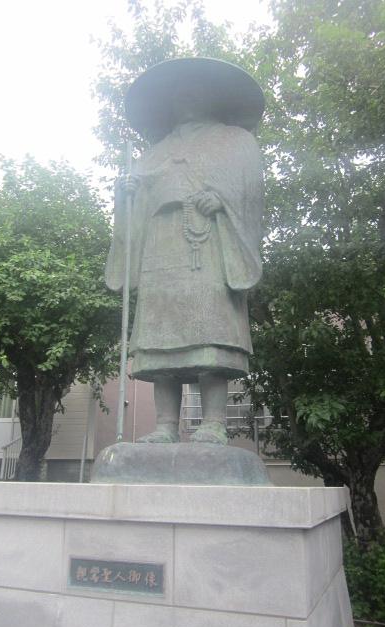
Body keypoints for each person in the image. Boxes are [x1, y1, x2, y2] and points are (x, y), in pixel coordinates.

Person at [106, 58, 264, 445]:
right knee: (161, 338)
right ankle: (164, 424)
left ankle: (214, 422)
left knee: (210, 332)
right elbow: (137, 203)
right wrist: (126, 195)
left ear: (213, 95)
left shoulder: (235, 141)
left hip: (209, 244)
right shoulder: (153, 153)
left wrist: (223, 200)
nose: (187, 96)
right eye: (179, 91)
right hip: (160, 246)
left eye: (196, 89)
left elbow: (251, 193)